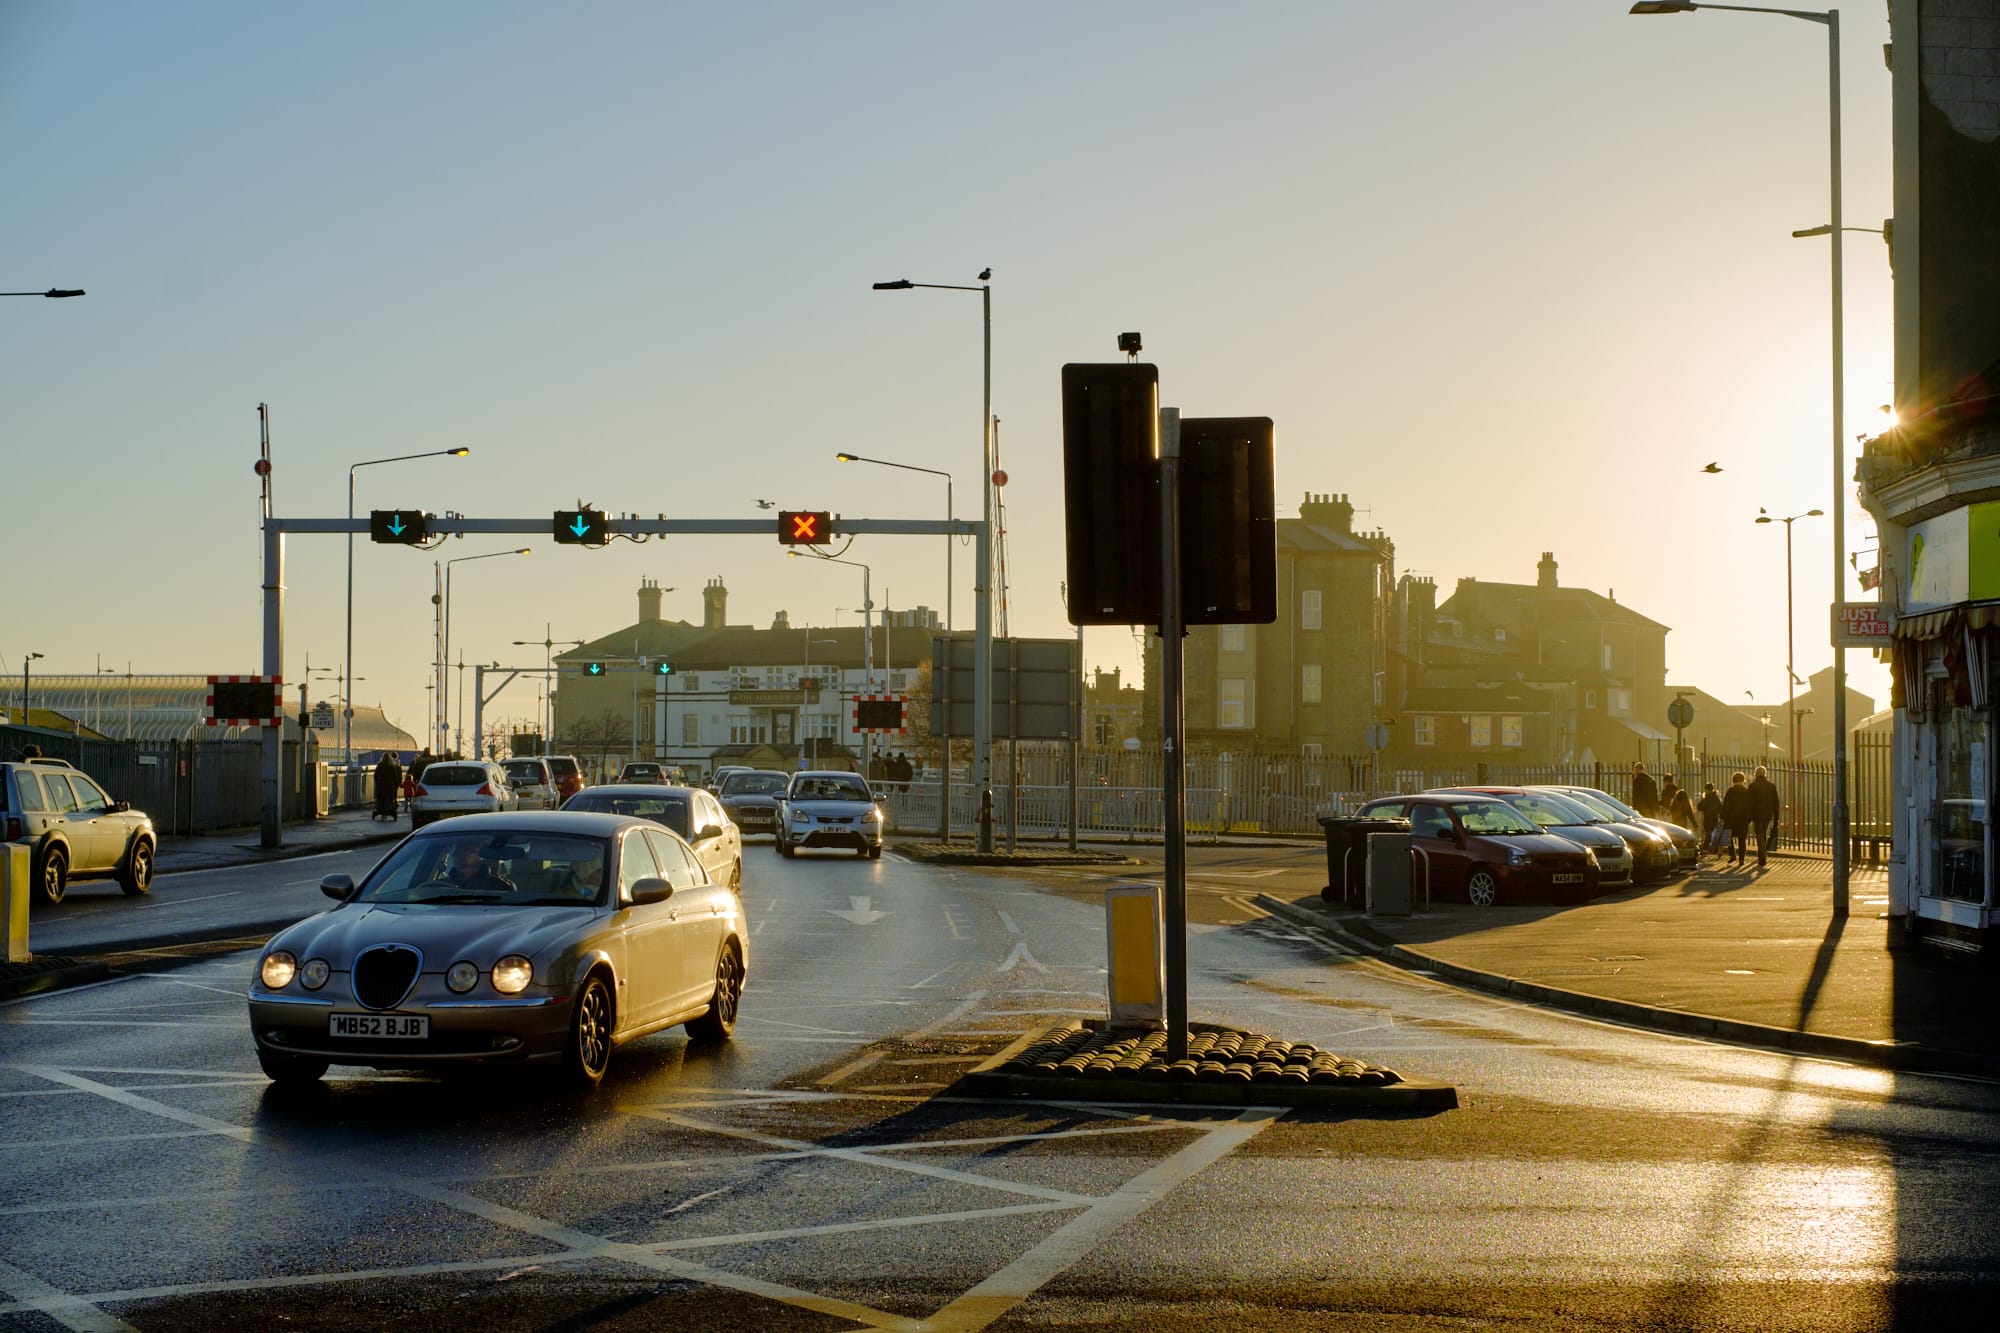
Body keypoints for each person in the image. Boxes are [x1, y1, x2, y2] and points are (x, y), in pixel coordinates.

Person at [444, 842, 513, 894]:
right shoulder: (440, 885)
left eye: (468, 852)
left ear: (480, 857)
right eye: (457, 853)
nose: (461, 857)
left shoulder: (499, 886)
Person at [1747, 764, 1781, 869]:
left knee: (1759, 835)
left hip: (1756, 815)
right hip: (1767, 814)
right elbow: (1776, 803)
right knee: (1763, 834)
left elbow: (1749, 803)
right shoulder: (1771, 786)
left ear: (1756, 774)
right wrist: (1776, 817)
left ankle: (1762, 856)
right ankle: (1762, 853)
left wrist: (1748, 816)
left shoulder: (1752, 786)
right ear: (1765, 774)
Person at [1721, 771, 1753, 866]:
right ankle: (1741, 859)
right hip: (1743, 820)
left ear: (1733, 780)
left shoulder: (1730, 791)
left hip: (1731, 819)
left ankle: (1732, 854)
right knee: (1742, 840)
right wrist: (1749, 818)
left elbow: (1726, 805)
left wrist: (1722, 817)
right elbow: (1750, 806)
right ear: (1743, 780)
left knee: (1729, 838)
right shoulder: (1747, 792)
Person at [373, 753, 403, 822]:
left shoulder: (380, 765)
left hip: (381, 785)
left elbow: (375, 775)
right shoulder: (392, 766)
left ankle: (380, 810)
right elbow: (395, 776)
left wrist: (377, 782)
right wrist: (395, 785)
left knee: (380, 798)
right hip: (389, 785)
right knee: (388, 798)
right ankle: (388, 811)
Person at [1698, 783, 1725, 855]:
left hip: (1707, 820)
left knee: (1708, 835)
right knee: (1712, 835)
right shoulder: (1717, 799)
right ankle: (1714, 849)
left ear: (1706, 790)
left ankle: (1705, 849)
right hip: (1714, 820)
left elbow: (1699, 807)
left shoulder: (1706, 799)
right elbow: (1720, 809)